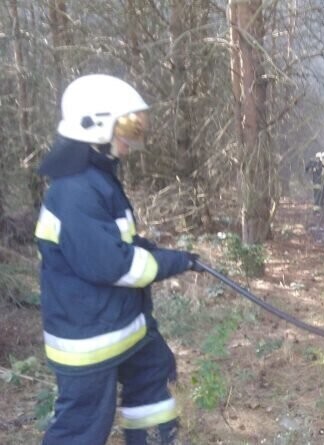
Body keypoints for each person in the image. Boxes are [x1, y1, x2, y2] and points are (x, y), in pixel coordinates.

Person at [34, 74, 203, 445]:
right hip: (89, 340)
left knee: (156, 372)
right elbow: (114, 264)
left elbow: (118, 241)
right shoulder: (74, 192)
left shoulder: (97, 180)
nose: (130, 140)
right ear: (94, 129)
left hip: (125, 326)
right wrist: (173, 262)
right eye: (126, 128)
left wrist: (156, 249)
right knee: (82, 427)